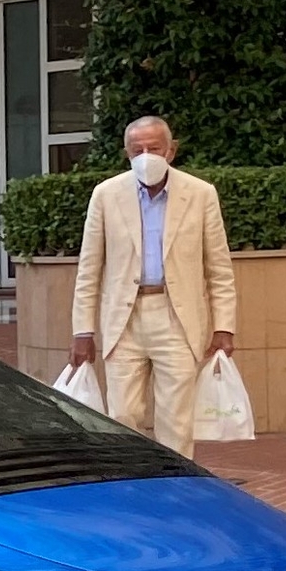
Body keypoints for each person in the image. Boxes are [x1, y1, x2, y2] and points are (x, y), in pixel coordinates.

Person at [68, 115, 238, 457]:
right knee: (122, 414)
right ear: (127, 154)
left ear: (171, 151)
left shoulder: (200, 194)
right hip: (123, 319)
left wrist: (224, 326)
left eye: (154, 148)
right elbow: (89, 268)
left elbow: (218, 267)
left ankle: (175, 492)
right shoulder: (106, 195)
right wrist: (82, 331)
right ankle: (132, 487)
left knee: (176, 419)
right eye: (137, 149)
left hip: (177, 317)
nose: (146, 156)